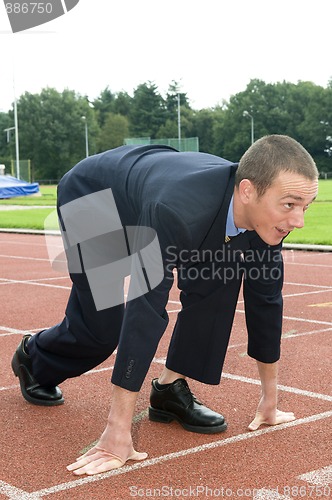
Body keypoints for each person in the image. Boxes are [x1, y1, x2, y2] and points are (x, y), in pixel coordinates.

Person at [12, 135, 319, 476]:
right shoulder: (177, 210)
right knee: (102, 328)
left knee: (218, 283)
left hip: (154, 186)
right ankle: (34, 357)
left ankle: (170, 389)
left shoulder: (268, 222)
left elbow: (266, 300)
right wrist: (118, 431)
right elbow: (146, 308)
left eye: (306, 206)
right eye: (290, 205)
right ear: (247, 191)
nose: (298, 221)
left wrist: (270, 400)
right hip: (95, 200)